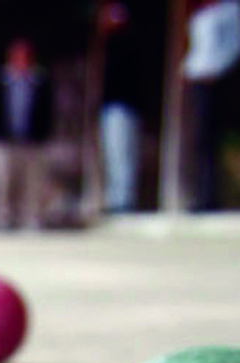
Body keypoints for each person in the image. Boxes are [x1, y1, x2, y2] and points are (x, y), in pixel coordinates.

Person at [183, 0, 240, 212]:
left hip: (215, 80)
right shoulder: (200, 10)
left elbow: (237, 44)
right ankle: (197, 193)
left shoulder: (232, 8)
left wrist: (217, 69)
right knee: (198, 140)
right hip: (197, 78)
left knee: (210, 138)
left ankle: (211, 195)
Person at [0, 38, 54, 230]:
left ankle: (31, 218)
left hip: (32, 141)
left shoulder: (39, 80)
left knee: (32, 183)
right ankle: (0, 218)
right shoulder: (0, 79)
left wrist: (42, 135)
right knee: (2, 182)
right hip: (3, 141)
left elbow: (47, 111)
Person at [99, 2, 142, 213]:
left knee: (122, 153)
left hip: (122, 107)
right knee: (112, 154)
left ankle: (123, 199)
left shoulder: (125, 46)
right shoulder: (106, 47)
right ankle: (114, 197)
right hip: (110, 108)